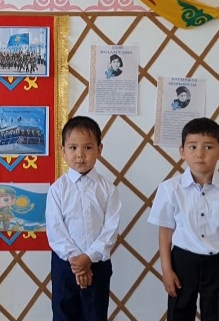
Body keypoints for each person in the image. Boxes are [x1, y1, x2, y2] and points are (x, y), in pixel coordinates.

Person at [148, 117, 219, 321]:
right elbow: (165, 233)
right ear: (182, 152)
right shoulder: (170, 189)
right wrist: (166, 269)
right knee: (179, 314)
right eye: (192, 147)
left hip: (218, 264)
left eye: (208, 147)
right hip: (182, 262)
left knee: (218, 316)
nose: (200, 154)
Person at [46, 115, 121, 321]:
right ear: (63, 150)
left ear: (99, 149)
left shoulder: (108, 190)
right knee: (63, 316)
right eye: (73, 148)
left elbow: (111, 229)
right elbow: (55, 230)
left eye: (88, 147)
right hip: (64, 264)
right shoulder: (57, 190)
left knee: (96, 315)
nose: (80, 155)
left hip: (98, 264)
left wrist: (88, 258)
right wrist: (77, 262)